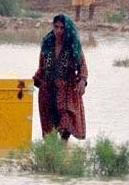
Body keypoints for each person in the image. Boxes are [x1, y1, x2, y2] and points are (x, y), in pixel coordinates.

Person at [33, 13, 88, 142]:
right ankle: (51, 156)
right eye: (56, 27)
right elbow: (41, 66)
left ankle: (63, 151)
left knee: (65, 124)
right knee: (49, 126)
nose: (58, 31)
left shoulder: (73, 46)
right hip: (47, 89)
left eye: (62, 27)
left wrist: (82, 80)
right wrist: (34, 81)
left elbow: (82, 66)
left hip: (66, 90)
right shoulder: (47, 43)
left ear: (66, 28)